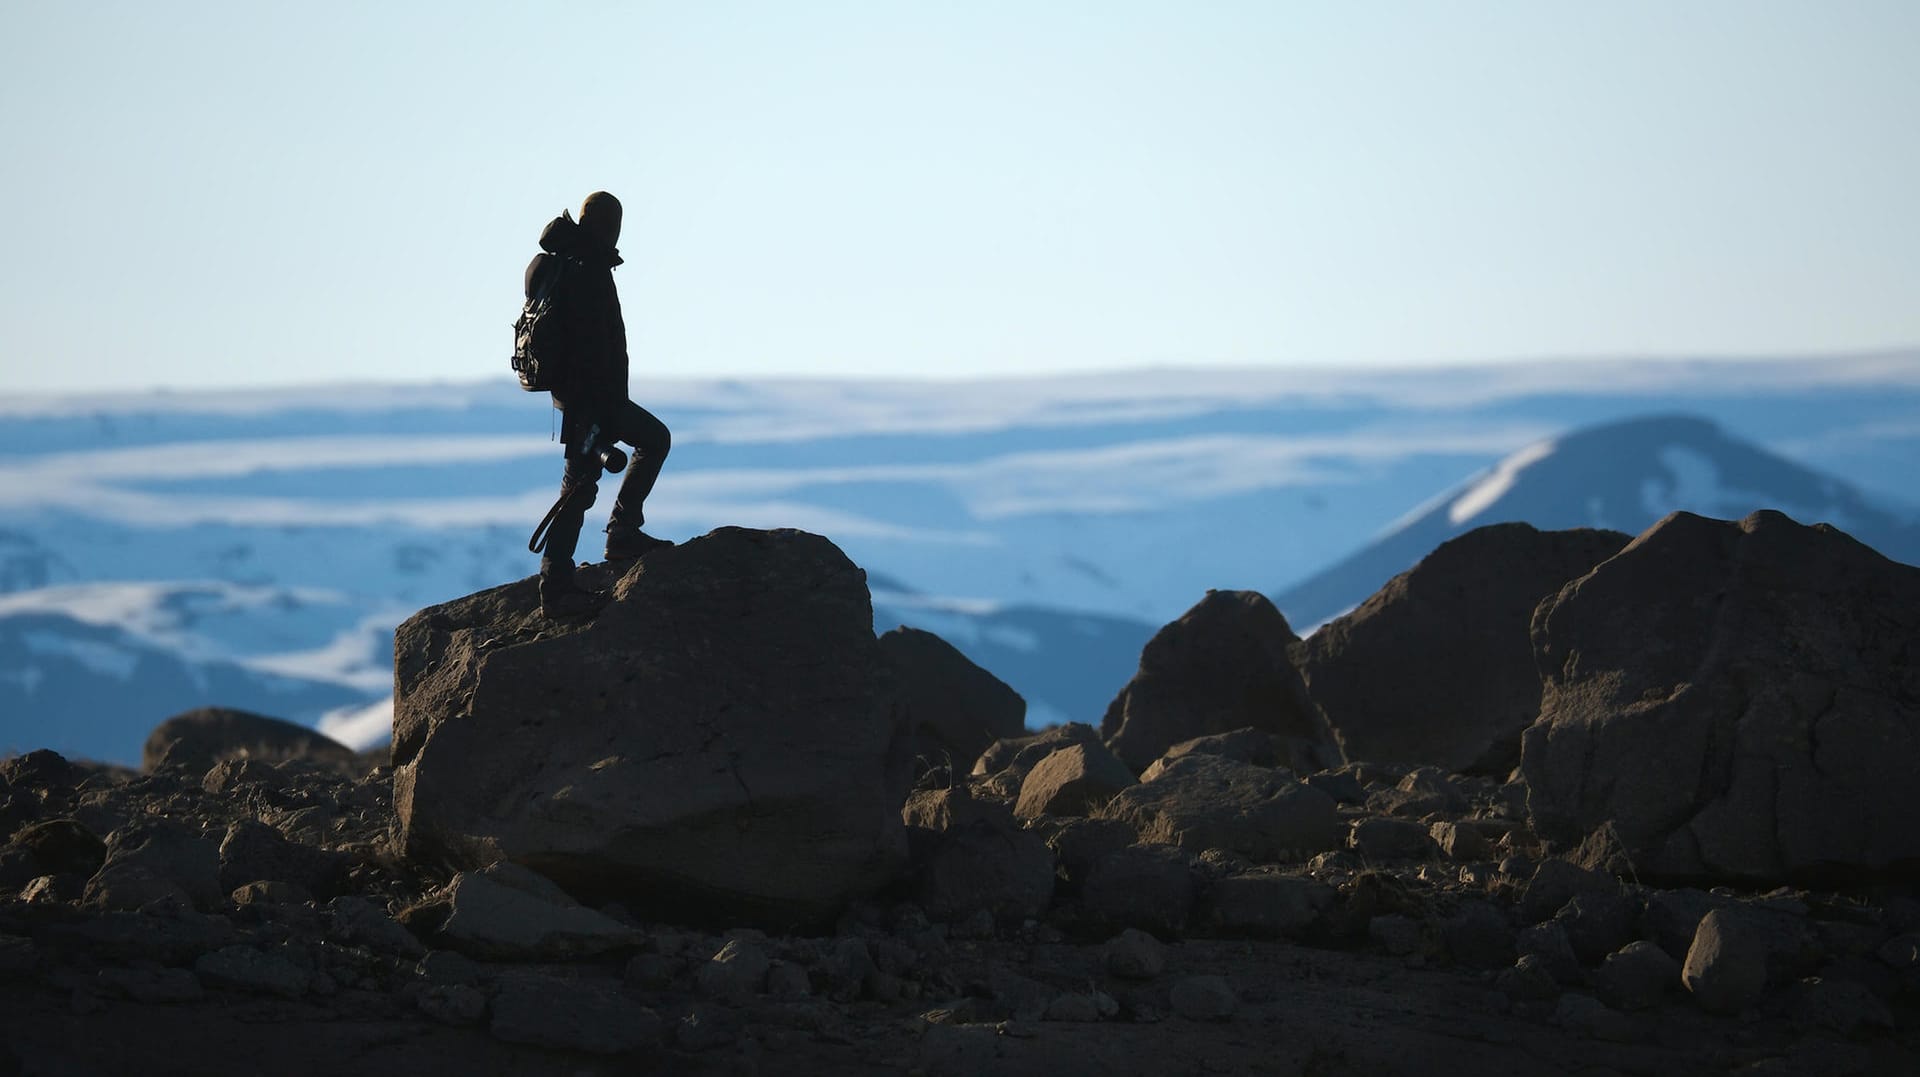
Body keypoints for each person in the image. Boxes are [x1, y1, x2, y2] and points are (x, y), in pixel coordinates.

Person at [525, 191, 673, 618]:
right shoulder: (585, 270)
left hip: (578, 400)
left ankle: (609, 542)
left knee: (580, 485)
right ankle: (563, 581)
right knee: (583, 485)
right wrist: (601, 410)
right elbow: (593, 348)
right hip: (593, 401)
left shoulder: (561, 264)